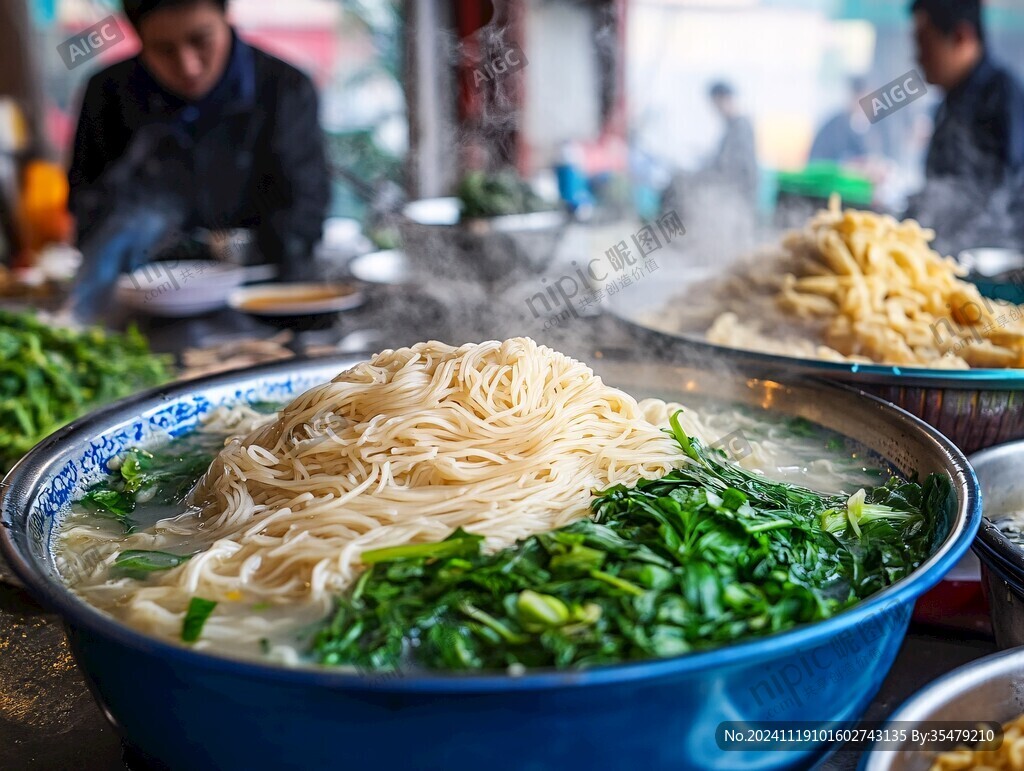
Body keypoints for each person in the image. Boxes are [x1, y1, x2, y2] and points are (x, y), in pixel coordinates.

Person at [67, 0, 330, 318]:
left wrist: (229, 255)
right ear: (138, 40)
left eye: (201, 40)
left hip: (265, 301)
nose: (188, 66)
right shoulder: (106, 95)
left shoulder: (286, 88)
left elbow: (305, 212)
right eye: (163, 49)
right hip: (148, 308)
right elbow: (88, 209)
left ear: (226, 18)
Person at [906, 0, 1024, 254]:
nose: (918, 57)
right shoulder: (948, 103)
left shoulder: (1004, 97)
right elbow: (941, 190)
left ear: (961, 37)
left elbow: (1001, 195)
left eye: (924, 44)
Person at [706, 81, 759, 208]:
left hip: (739, 193)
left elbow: (735, 165)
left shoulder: (741, 126)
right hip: (730, 190)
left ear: (726, 99)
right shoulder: (730, 126)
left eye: (717, 103)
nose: (716, 109)